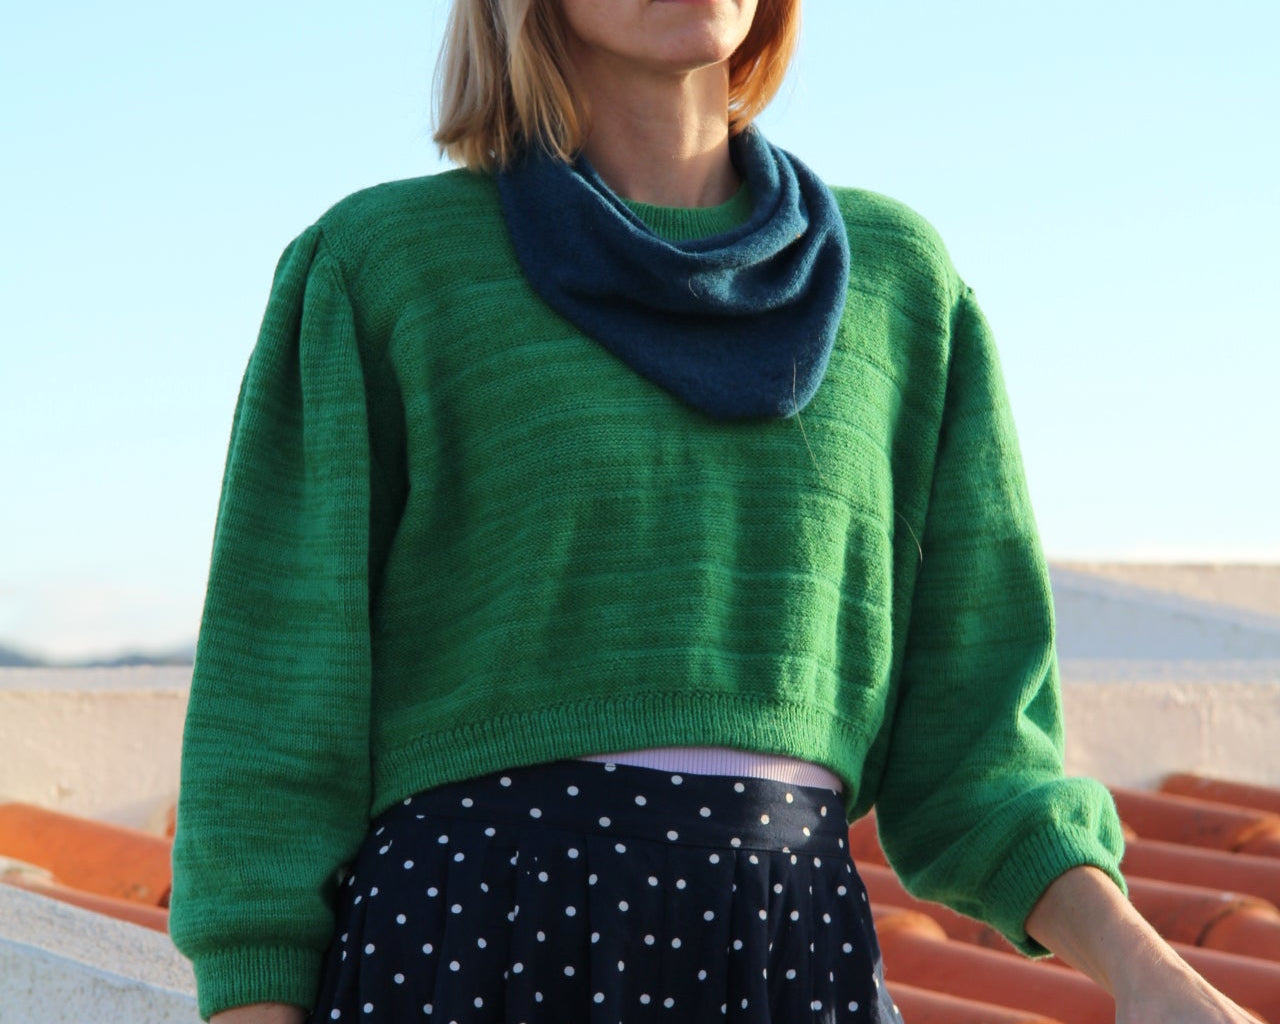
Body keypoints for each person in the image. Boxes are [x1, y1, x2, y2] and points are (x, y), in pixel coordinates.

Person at [170, 1, 1257, 1022]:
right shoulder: (382, 267)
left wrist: (1147, 972)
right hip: (469, 948)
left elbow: (980, 757)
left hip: (789, 950)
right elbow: (272, 731)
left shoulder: (903, 289)